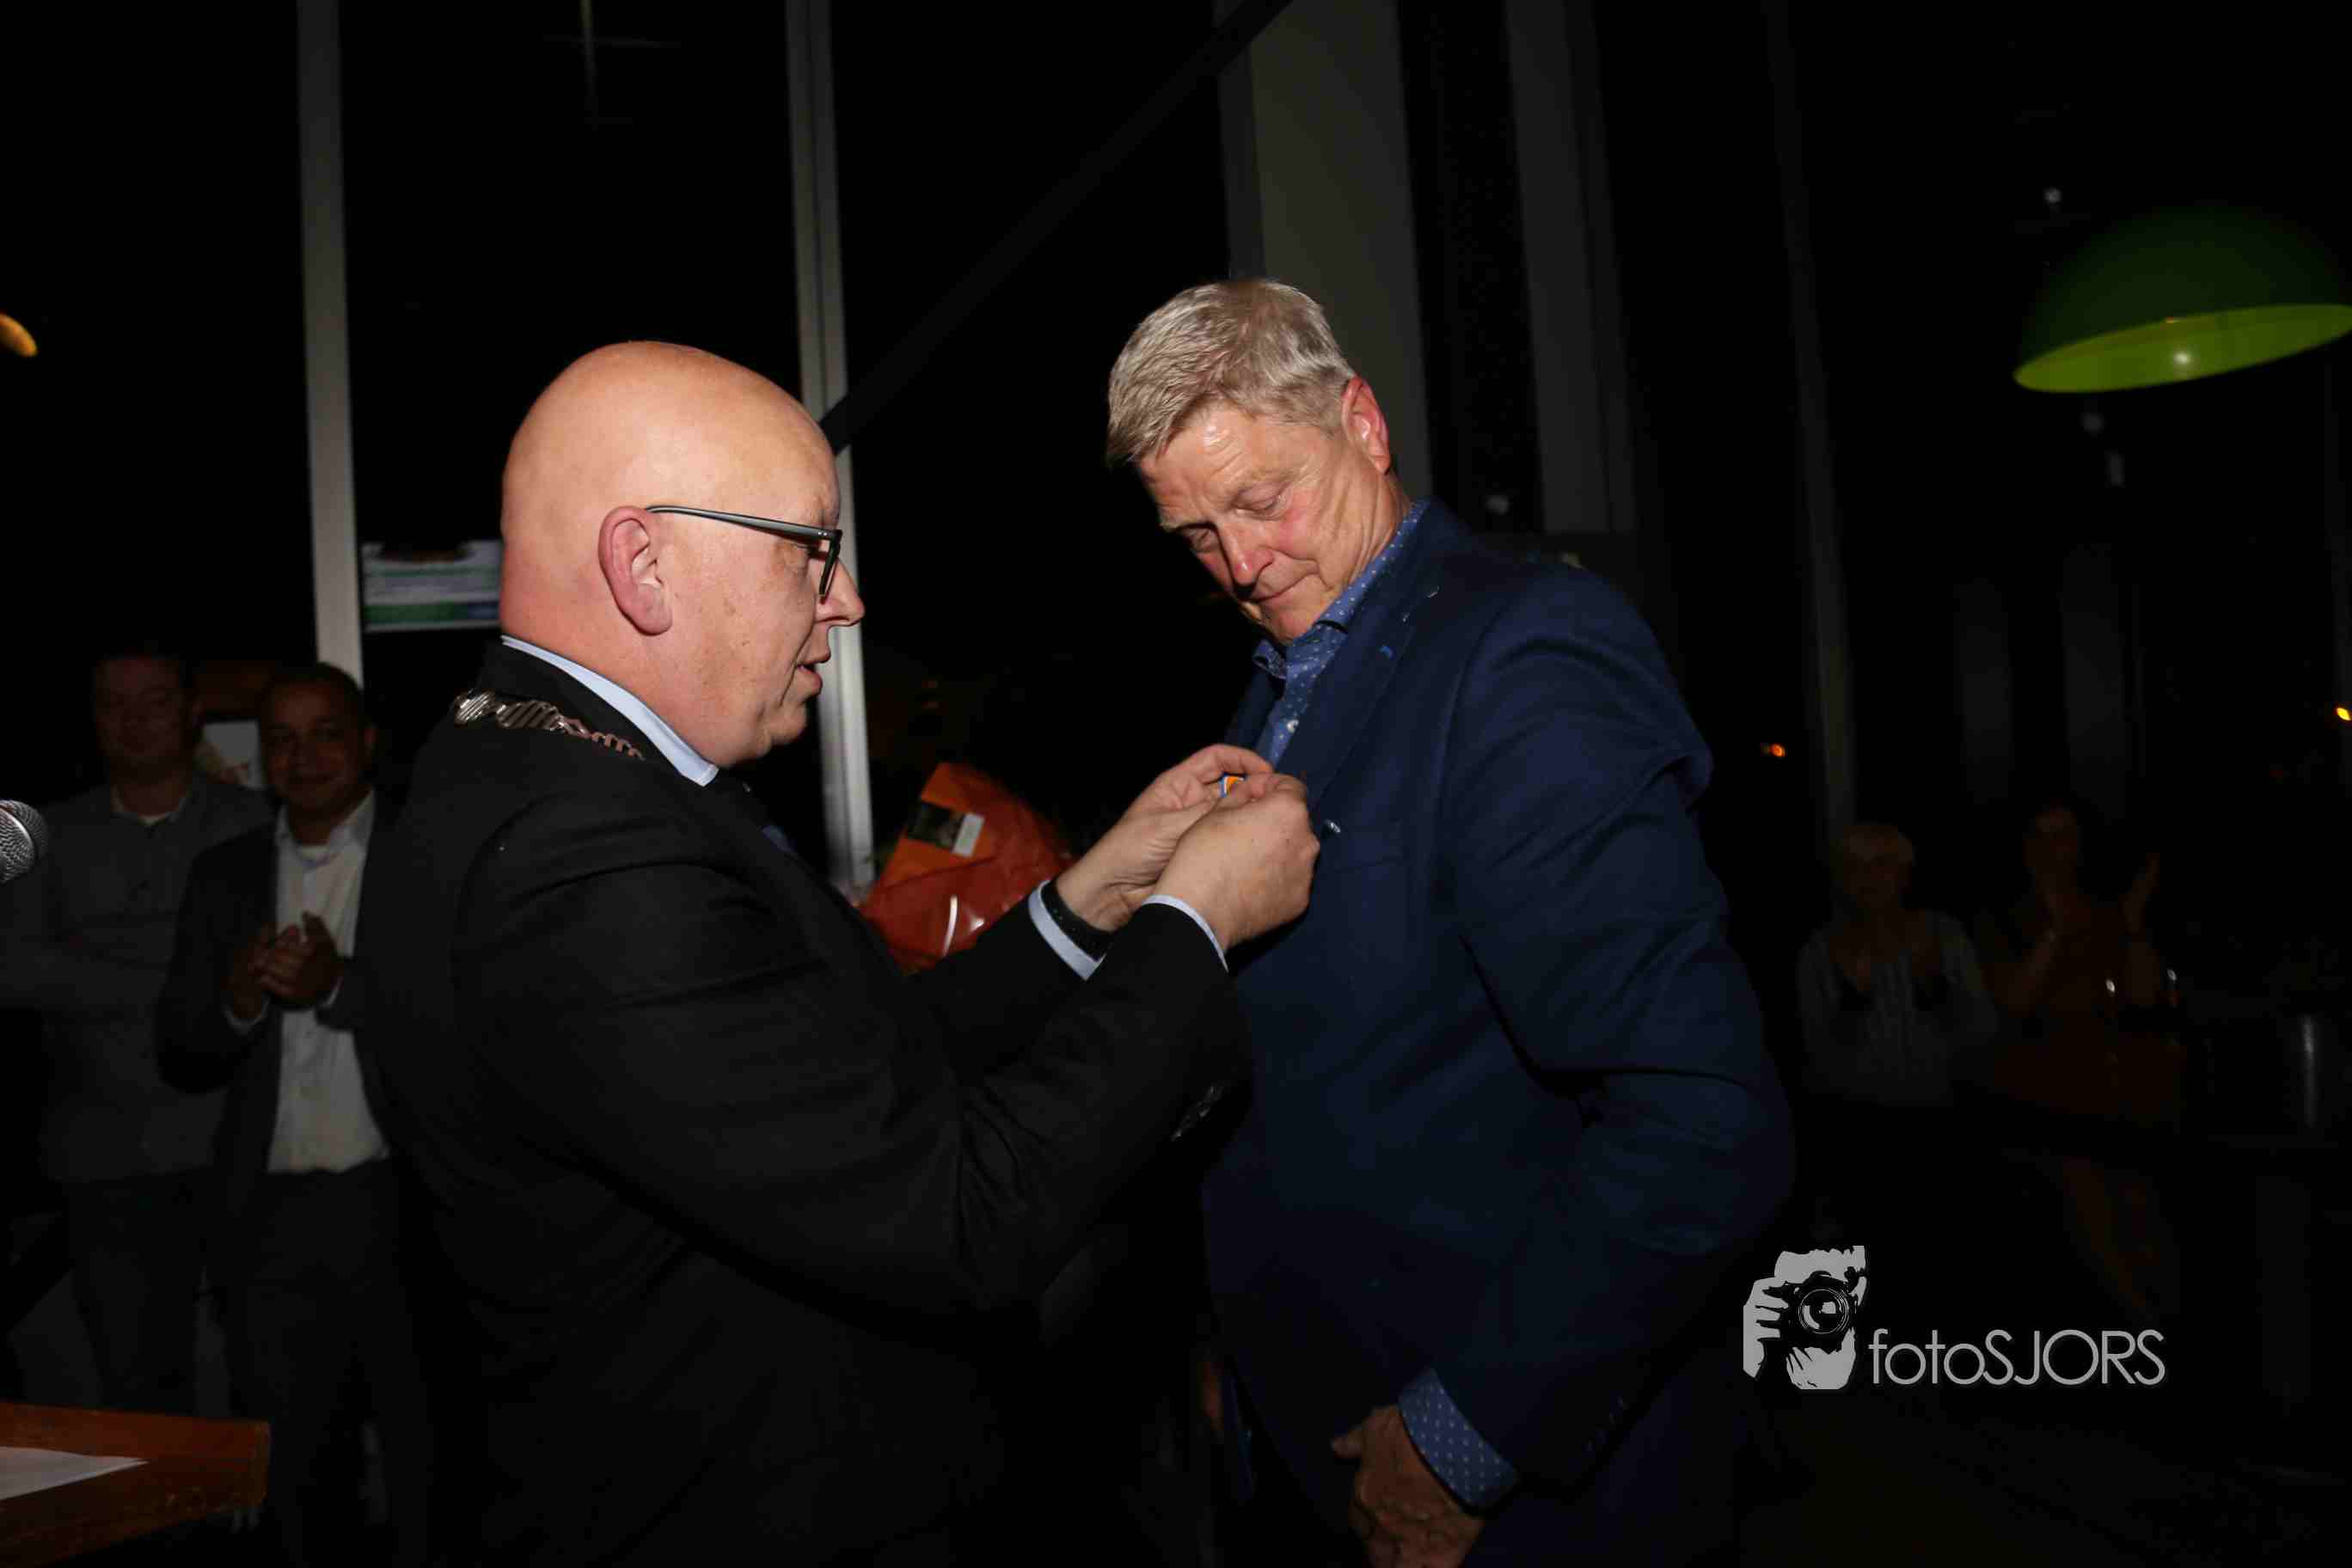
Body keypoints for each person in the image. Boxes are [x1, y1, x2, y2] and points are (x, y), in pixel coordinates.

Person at [352, 340, 1320, 1565]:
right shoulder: (581, 858)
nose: (847, 599)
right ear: (643, 563)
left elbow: (849, 1075)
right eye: (808, 549)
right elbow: (963, 1216)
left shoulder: (546, 772)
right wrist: (1194, 925)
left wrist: (1092, 901)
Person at [1106, 280, 1792, 1565]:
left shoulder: (1522, 657)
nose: (1241, 565)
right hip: (1323, 1415)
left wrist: (1466, 1437)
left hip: (1520, 1480)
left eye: (1262, 500)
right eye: (1196, 534)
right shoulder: (1291, 674)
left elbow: (1699, 1117)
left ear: (1362, 425)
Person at [155, 663, 432, 1566]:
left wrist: (339, 985)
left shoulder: (425, 853)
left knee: (431, 1463)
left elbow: (470, 1027)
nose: (303, 757)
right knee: (299, 1479)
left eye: (325, 734)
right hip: (269, 1218)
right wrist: (239, 1005)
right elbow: (181, 1046)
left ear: (367, 744)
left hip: (407, 1208)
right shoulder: (226, 873)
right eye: (281, 739)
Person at [0, 645, 270, 1412]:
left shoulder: (252, 819)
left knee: (267, 1379)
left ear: (191, 712)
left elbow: (273, 957)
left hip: (242, 1147)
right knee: (139, 1392)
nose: (134, 720)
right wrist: (190, 977)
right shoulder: (41, 832)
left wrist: (91, 963)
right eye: (113, 704)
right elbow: (15, 970)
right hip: (103, 1158)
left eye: (154, 701)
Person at [1975, 799, 2179, 1328]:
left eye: (2063, 836)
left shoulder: (2104, 912)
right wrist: (2053, 933)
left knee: (2141, 1187)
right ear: (2024, 849)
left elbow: (2143, 998)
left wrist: (2132, 924)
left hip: (2114, 1084)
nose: (2053, 850)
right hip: (2040, 1094)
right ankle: (2143, 1325)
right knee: (2084, 1179)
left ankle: (2172, 1318)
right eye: (2040, 837)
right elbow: (2012, 1002)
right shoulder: (2001, 918)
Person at [1794, 822, 1997, 1110]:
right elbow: (1819, 1058)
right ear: (1841, 879)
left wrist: (1933, 986)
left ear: (1905, 873)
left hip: (1940, 1106)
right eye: (1854, 866)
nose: (1868, 877)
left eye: (1881, 863)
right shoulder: (1818, 953)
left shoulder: (1945, 935)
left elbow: (1982, 1033)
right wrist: (1854, 1000)